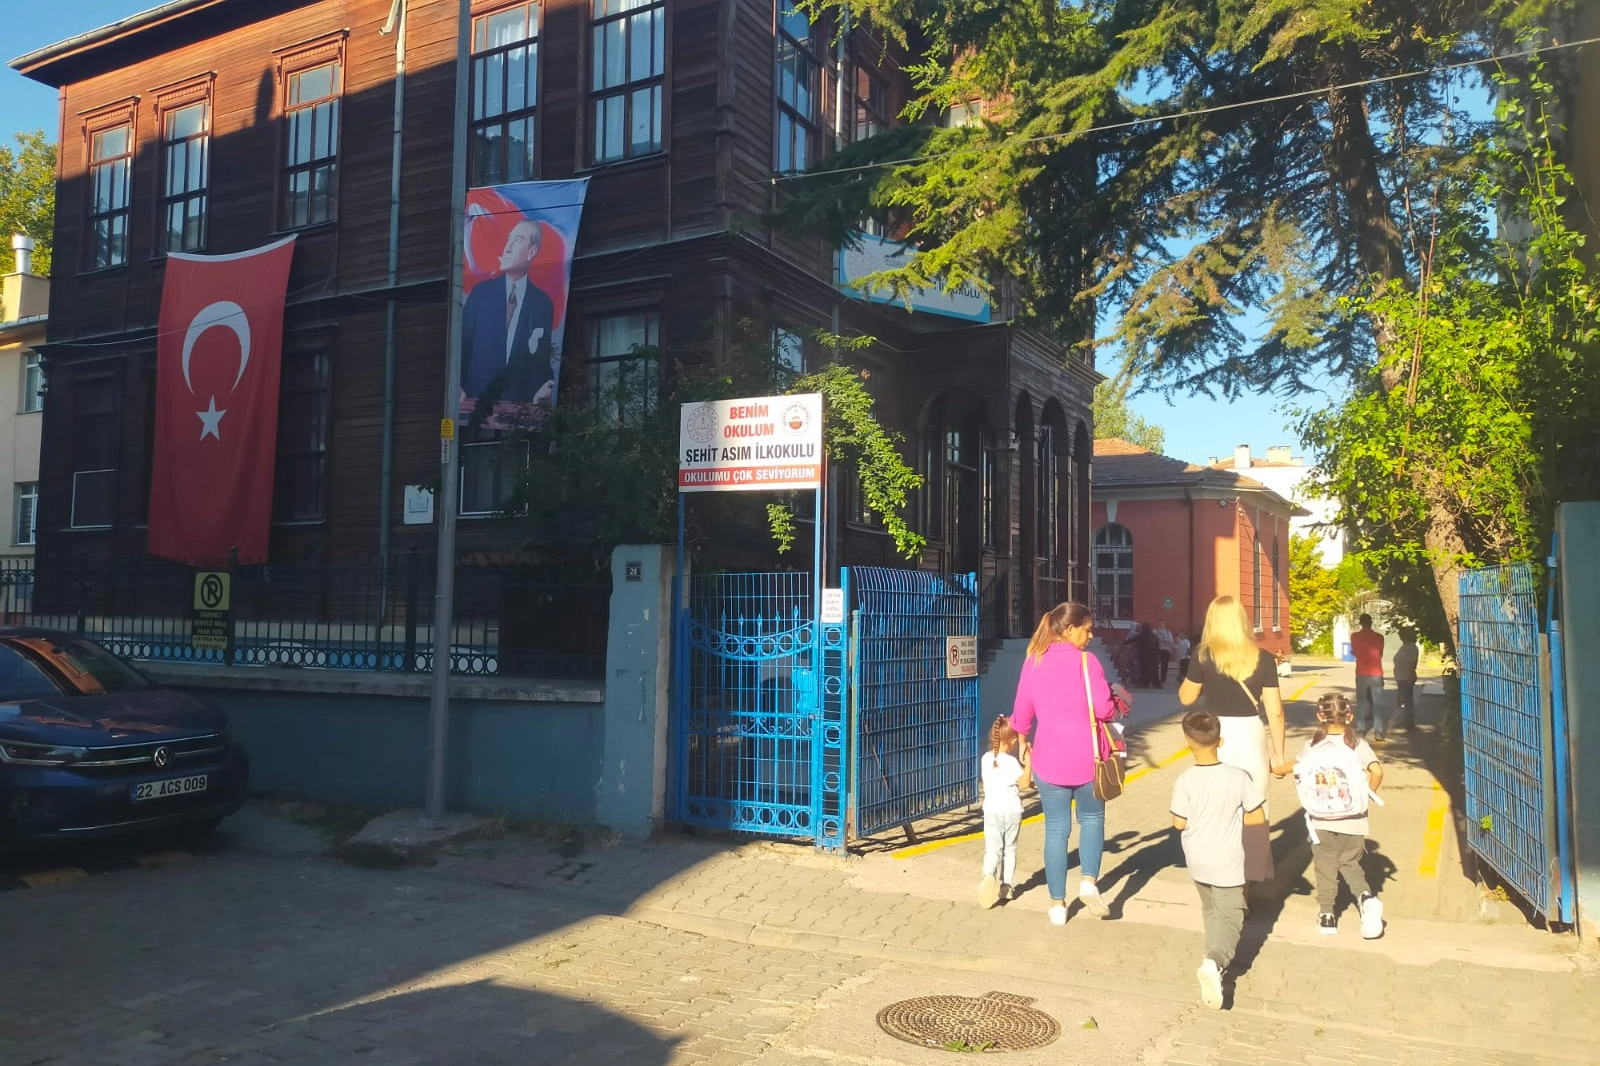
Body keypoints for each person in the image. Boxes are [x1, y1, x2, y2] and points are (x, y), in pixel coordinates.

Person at [1010, 601, 1120, 926]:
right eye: (1087, 629)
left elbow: (1021, 714)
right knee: (1092, 820)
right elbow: (1105, 710)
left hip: (1049, 761)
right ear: (1070, 630)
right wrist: (1112, 695)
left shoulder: (1034, 661)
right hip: (1089, 760)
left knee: (1056, 830)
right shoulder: (1088, 662)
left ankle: (1057, 905)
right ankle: (1088, 883)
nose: (1090, 635)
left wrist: (1023, 744)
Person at [1178, 596, 1287, 887]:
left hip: (1215, 735)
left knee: (1217, 806)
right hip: (1251, 735)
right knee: (1254, 806)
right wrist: (1278, 753)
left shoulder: (1203, 656)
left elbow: (1186, 698)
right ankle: (1248, 879)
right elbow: (1276, 712)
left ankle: (1219, 876)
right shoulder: (1263, 658)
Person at [1171, 709, 1266, 1010]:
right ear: (1220, 741)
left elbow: (1178, 823)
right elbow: (1257, 817)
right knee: (1232, 915)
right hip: (1228, 859)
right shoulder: (1238, 777)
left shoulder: (1185, 779)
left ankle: (1210, 956)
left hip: (1196, 858)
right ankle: (1216, 961)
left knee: (1211, 910)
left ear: (1187, 743)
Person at [1276, 693, 1384, 938]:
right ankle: (1365, 899)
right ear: (1350, 716)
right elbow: (1377, 772)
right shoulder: (1358, 745)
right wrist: (1367, 796)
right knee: (1350, 863)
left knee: (1324, 867)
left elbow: (1293, 766)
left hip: (1320, 819)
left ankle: (1327, 916)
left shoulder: (1312, 746)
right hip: (1353, 819)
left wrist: (1277, 770)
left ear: (1319, 716)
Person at [461, 218, 557, 412]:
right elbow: (462, 347)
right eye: (509, 239)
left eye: (518, 240)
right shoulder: (481, 295)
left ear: (531, 252)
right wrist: (458, 387)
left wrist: (546, 385)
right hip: (475, 407)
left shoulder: (542, 304)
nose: (508, 247)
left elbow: (542, 358)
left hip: (519, 411)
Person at [978, 716, 1032, 909]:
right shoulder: (1011, 763)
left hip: (992, 811)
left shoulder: (986, 759)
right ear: (1010, 740)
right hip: (1012, 811)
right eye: (1015, 738)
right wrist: (1029, 761)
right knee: (1010, 849)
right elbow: (1024, 783)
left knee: (992, 849)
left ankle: (988, 876)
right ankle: (1006, 886)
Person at [1350, 613, 1387, 741]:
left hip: (1361, 672)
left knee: (1361, 702)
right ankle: (1379, 731)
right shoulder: (1379, 637)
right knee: (1378, 703)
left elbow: (1355, 652)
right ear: (1371, 623)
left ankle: (1360, 729)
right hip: (1376, 672)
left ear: (1361, 623)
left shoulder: (1354, 637)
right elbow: (1380, 653)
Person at [1393, 627, 1419, 732]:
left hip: (1406, 676)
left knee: (1406, 700)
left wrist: (1410, 676)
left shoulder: (1411, 647)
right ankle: (1404, 720)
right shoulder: (1405, 646)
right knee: (1402, 700)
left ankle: (1408, 722)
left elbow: (1412, 663)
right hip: (1400, 676)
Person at [1154, 618, 1175, 687]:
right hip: (1157, 649)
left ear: (1164, 624)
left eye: (1162, 624)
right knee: (1155, 664)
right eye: (1159, 624)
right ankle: (1155, 677)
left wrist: (1162, 639)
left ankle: (1163, 678)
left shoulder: (1168, 632)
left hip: (1165, 650)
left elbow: (1171, 641)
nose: (1161, 625)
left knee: (1164, 664)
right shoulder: (1155, 631)